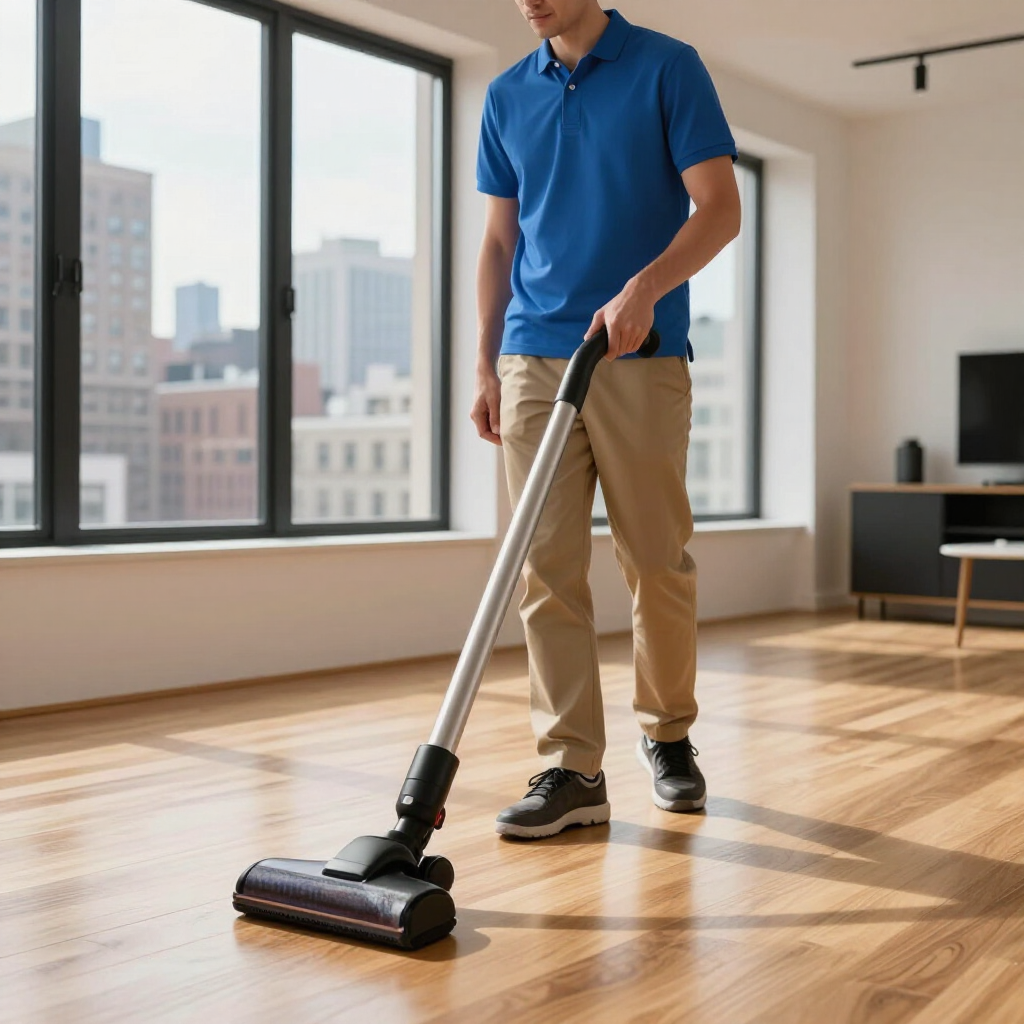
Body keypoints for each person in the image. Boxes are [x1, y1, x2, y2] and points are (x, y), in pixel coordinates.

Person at [472, 0, 741, 838]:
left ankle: (668, 735)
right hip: (532, 356)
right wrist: (486, 362)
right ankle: (570, 768)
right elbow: (498, 240)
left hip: (639, 351)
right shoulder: (506, 94)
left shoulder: (667, 66)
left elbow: (720, 208)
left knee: (655, 557)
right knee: (542, 568)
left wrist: (644, 289)